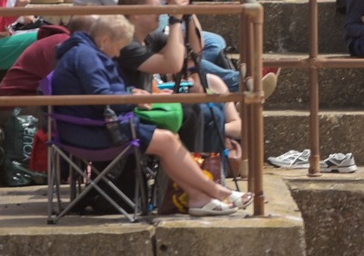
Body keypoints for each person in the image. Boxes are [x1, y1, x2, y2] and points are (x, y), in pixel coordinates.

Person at [48, 13, 245, 216]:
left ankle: (201, 197)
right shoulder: (85, 55)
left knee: (169, 138)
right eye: (117, 47)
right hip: (91, 132)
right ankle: (213, 192)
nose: (116, 55)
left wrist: (131, 93)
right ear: (105, 40)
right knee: (168, 139)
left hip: (94, 126)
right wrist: (132, 98)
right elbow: (101, 96)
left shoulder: (84, 52)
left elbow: (100, 93)